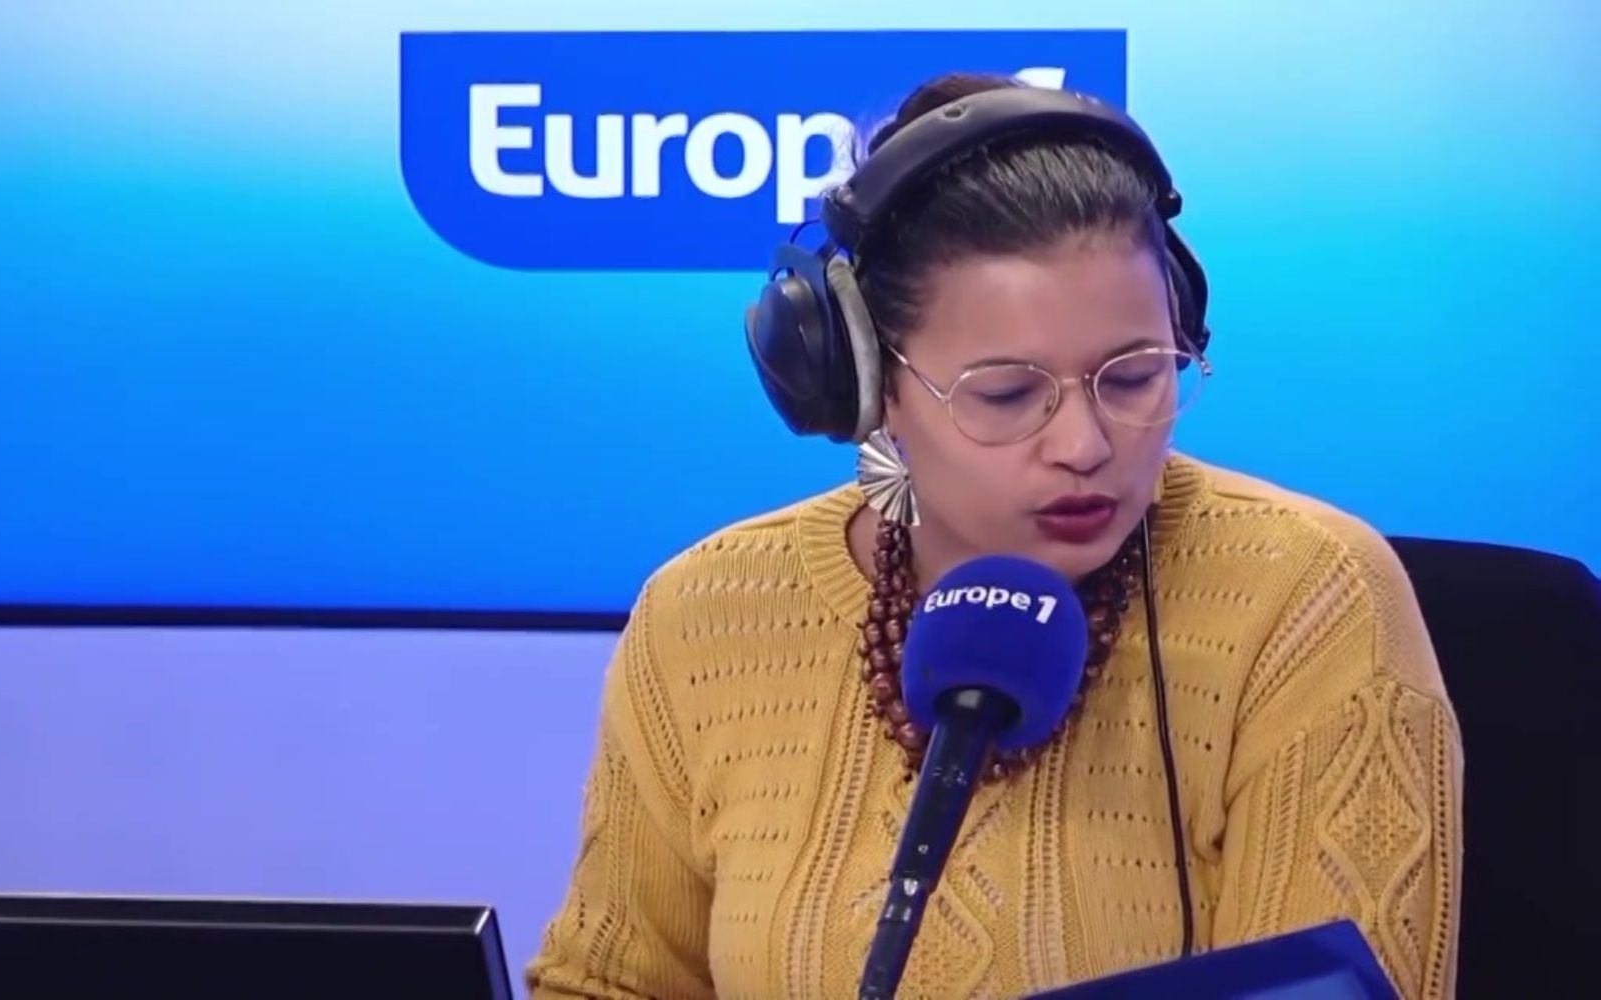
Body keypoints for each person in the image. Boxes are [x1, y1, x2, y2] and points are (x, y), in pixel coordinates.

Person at [524, 73, 1462, 999]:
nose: (1086, 445)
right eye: (1008, 394)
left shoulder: (1308, 602)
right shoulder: (706, 615)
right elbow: (609, 984)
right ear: (868, 389)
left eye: (1135, 377)